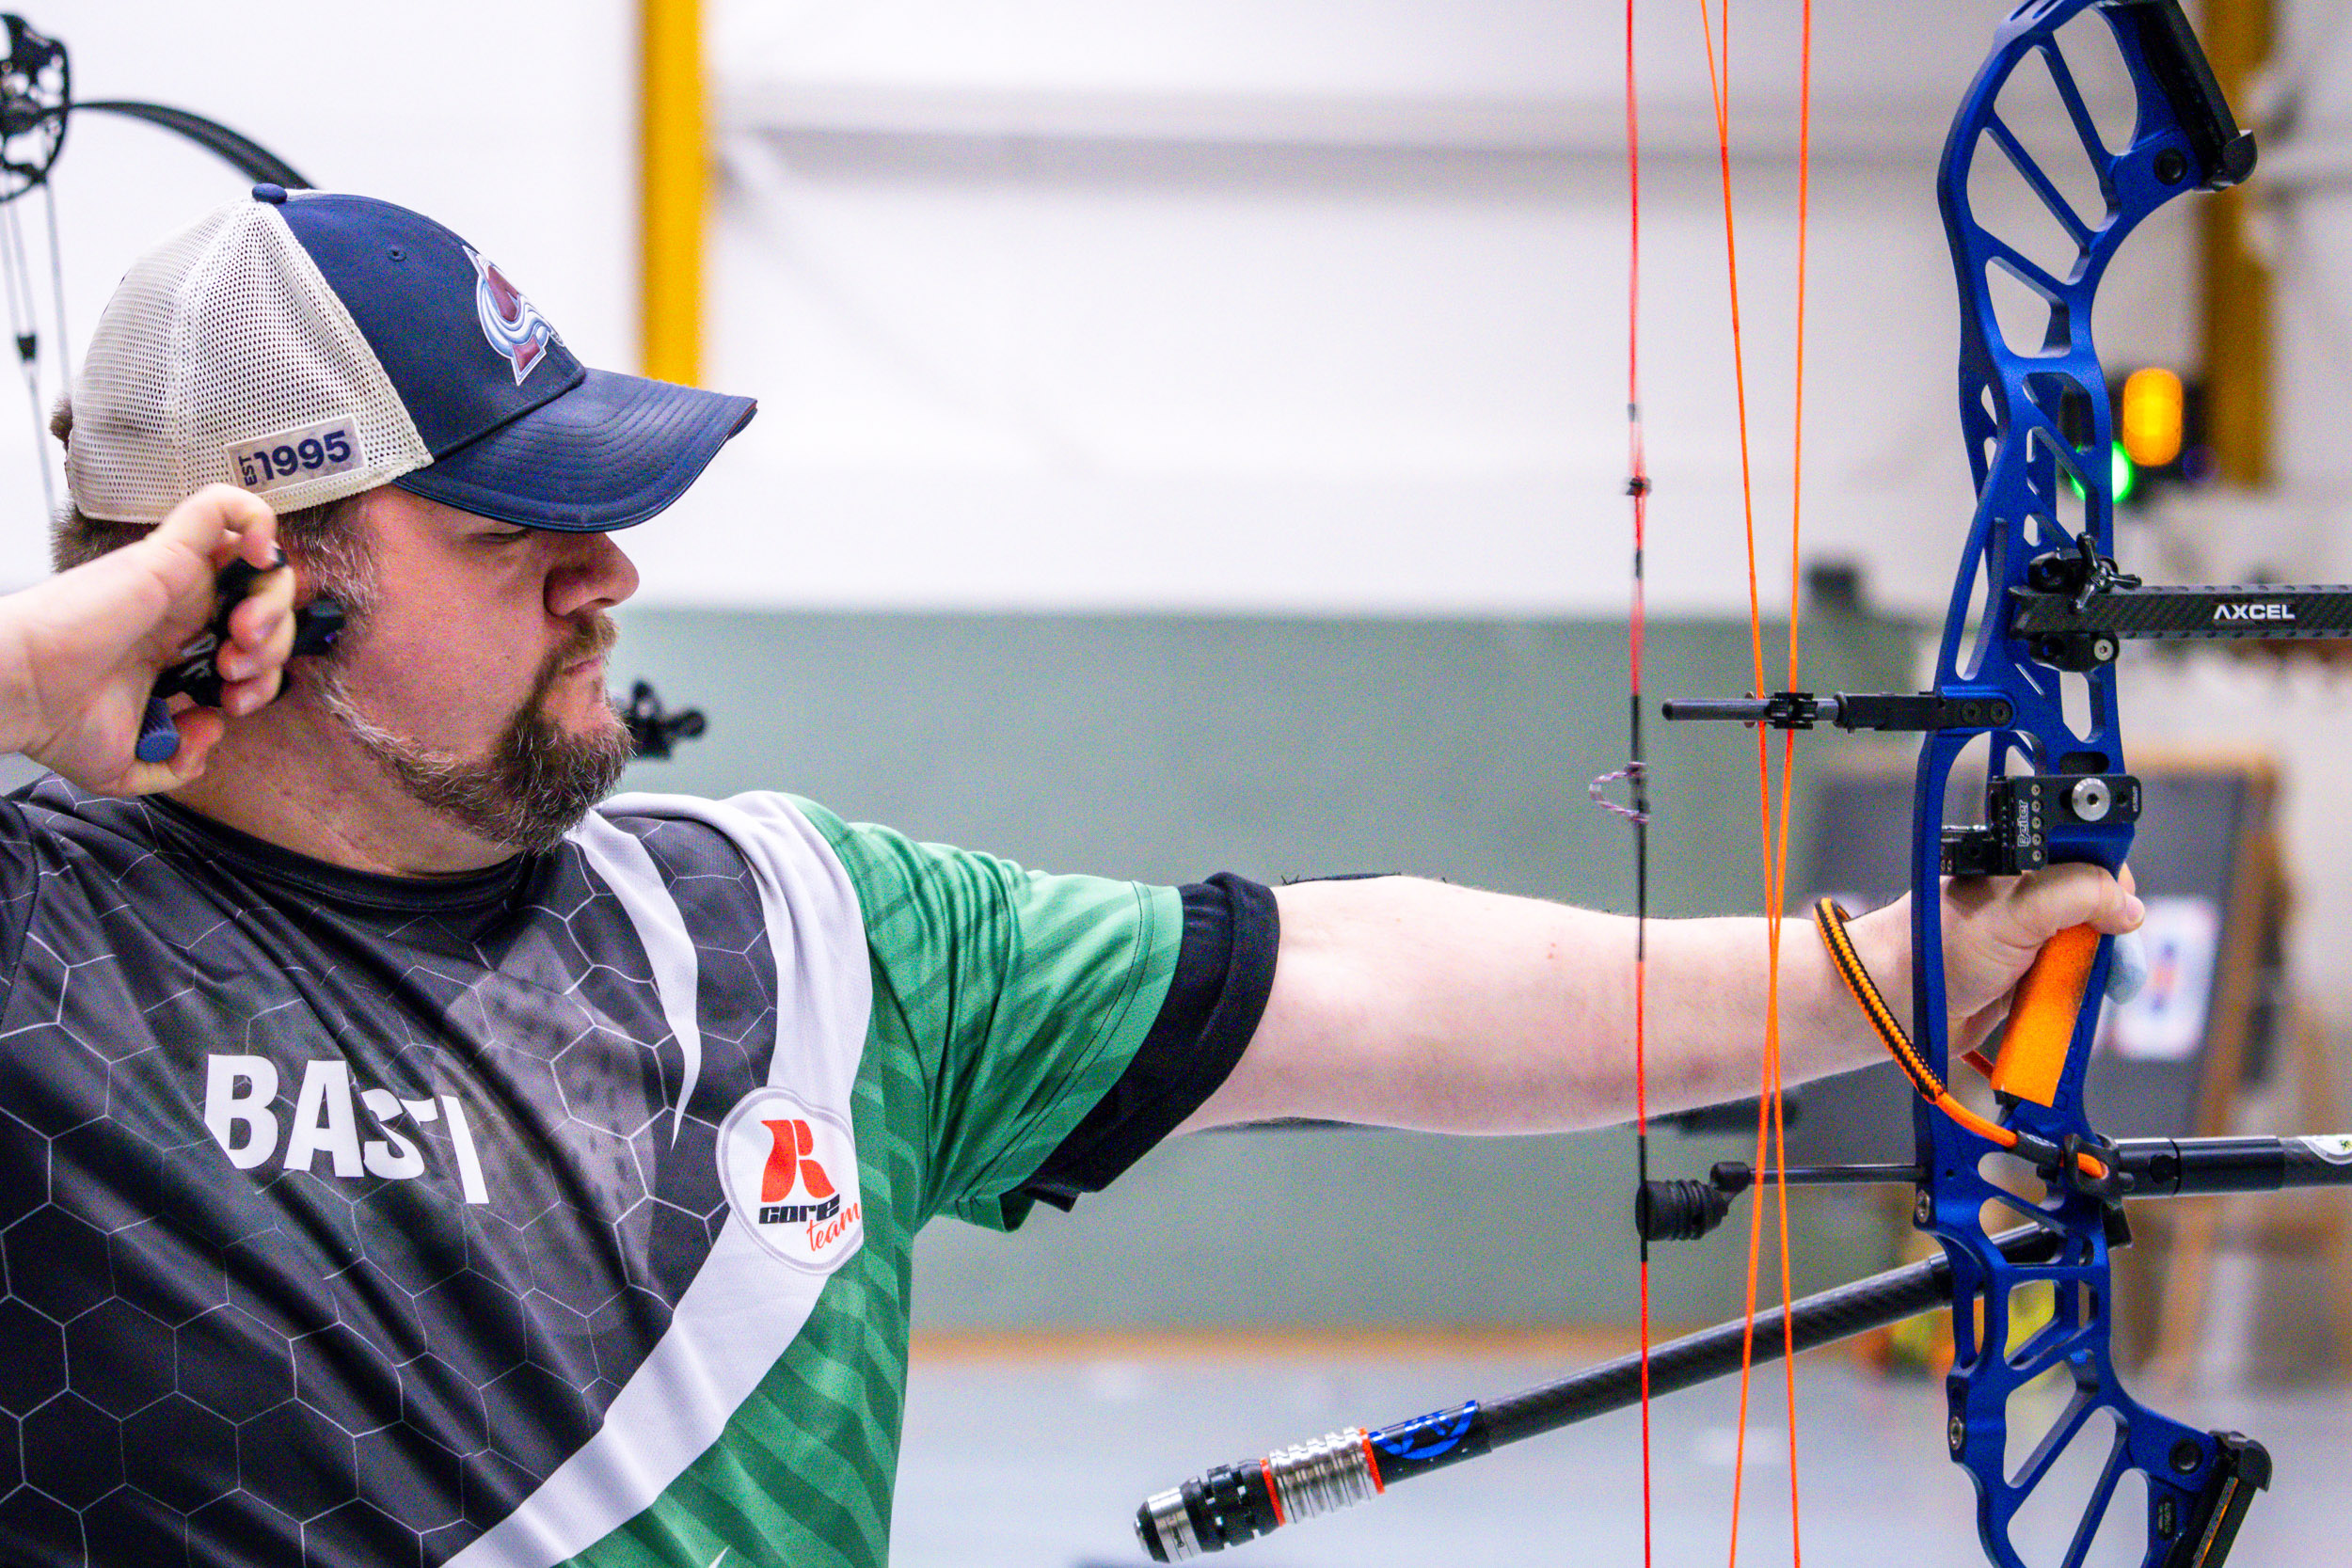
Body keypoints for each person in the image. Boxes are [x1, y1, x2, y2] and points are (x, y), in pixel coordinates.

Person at [2, 186, 2140, 1568]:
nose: (610, 572)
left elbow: (1348, 981)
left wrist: (1875, 974)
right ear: (249, 581)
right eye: (511, 534)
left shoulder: (789, 937)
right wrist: (44, 674)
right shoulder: (42, 952)